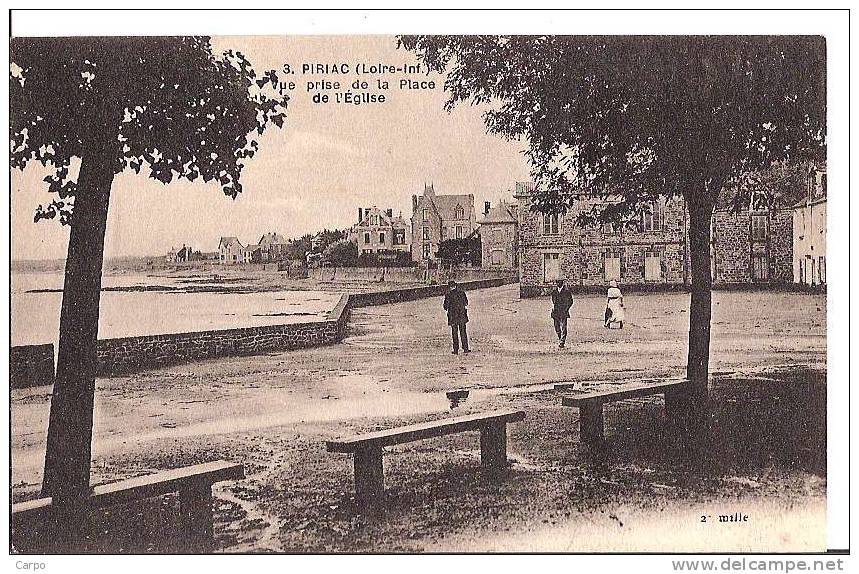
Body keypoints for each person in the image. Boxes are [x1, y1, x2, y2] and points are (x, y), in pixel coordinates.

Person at [443, 280, 470, 354]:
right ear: (456, 286)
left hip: (453, 317)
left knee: (454, 333)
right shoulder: (462, 293)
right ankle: (465, 348)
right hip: (461, 315)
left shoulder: (448, 295)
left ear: (449, 287)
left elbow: (445, 306)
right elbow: (466, 302)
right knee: (463, 332)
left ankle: (456, 349)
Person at [550, 279, 574, 348]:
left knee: (563, 326)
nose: (558, 283)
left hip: (563, 311)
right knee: (556, 326)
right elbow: (553, 301)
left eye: (559, 282)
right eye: (557, 282)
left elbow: (570, 301)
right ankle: (560, 337)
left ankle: (562, 341)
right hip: (556, 311)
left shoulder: (566, 292)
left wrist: (566, 309)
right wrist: (554, 308)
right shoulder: (554, 292)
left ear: (562, 283)